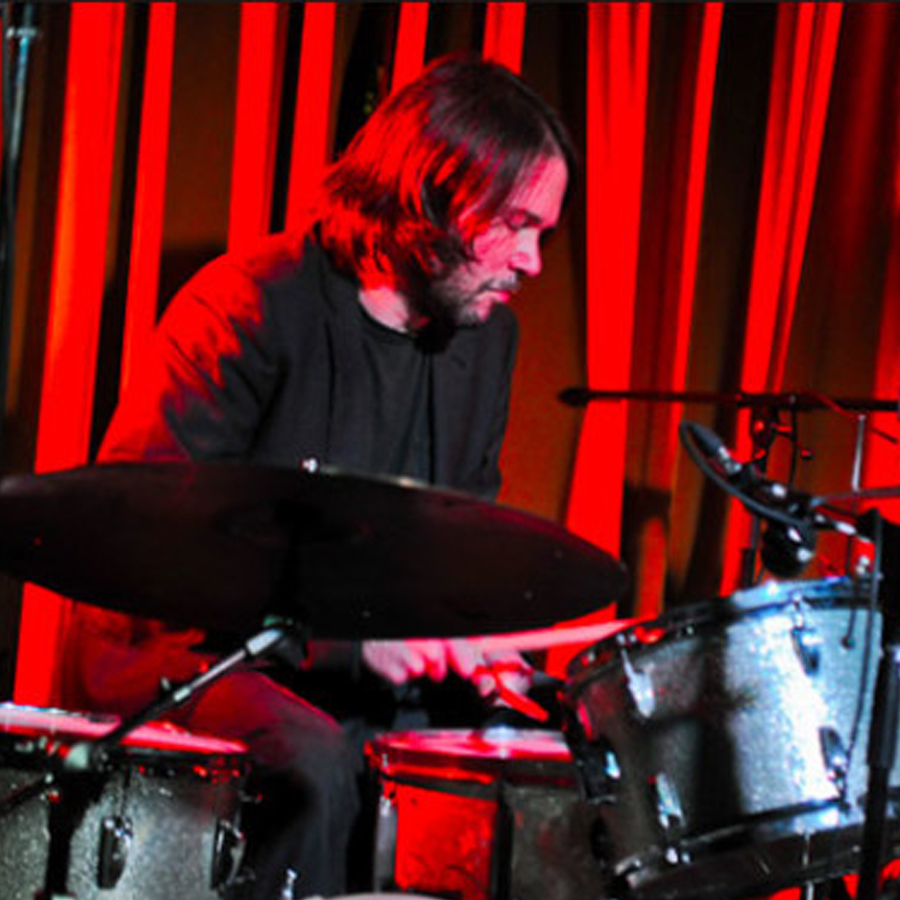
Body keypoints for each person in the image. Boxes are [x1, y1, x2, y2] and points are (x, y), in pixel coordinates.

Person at [59, 53, 576, 899]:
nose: (532, 261)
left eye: (542, 233)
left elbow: (457, 534)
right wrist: (351, 643)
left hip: (356, 666)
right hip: (198, 653)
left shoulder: (487, 341)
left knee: (531, 770)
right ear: (434, 197)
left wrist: (476, 639)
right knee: (313, 763)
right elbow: (147, 549)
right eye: (516, 224)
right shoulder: (247, 307)